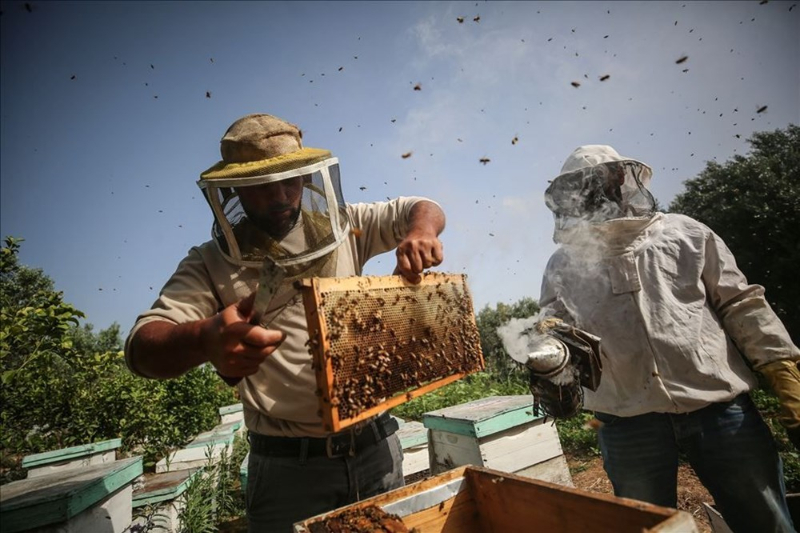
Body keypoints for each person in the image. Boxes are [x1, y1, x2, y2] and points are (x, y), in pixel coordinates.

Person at [124, 113, 446, 532]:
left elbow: (422, 207)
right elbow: (142, 347)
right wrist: (204, 338)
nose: (280, 196)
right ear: (234, 189)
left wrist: (421, 231)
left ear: (308, 177)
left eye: (289, 180)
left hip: (377, 448)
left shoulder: (346, 226)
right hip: (288, 471)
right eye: (261, 185)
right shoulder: (208, 263)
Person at [538, 145, 799, 533]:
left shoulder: (685, 231)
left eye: (603, 180)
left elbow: (741, 304)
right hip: (627, 420)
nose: (595, 190)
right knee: (650, 528)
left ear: (622, 179)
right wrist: (548, 352)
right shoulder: (563, 263)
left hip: (719, 407)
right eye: (582, 186)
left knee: (765, 523)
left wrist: (781, 370)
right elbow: (555, 329)